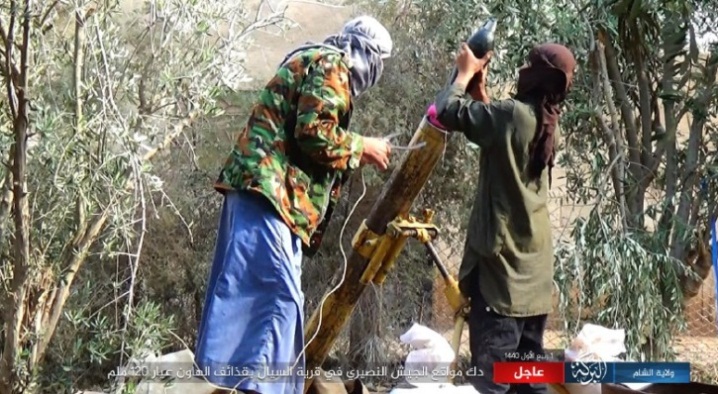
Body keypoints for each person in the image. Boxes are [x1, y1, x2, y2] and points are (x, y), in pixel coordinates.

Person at [194, 16, 394, 394]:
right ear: (366, 54)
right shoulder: (333, 64)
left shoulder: (314, 61)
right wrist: (362, 146)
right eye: (378, 61)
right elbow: (313, 132)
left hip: (266, 195)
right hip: (268, 194)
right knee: (276, 300)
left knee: (259, 299)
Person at [433, 42, 576, 394]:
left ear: (536, 75)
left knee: (491, 382)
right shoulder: (547, 120)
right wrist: (481, 93)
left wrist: (464, 71)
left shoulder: (512, 116)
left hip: (504, 281)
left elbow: (446, 110)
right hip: (534, 278)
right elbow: (501, 135)